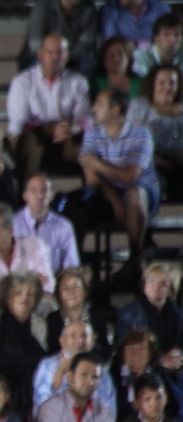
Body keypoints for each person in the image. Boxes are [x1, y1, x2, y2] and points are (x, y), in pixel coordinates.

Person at [79, 88, 160, 282]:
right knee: (79, 202)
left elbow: (129, 177)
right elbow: (91, 179)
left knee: (135, 194)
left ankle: (135, 257)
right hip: (108, 192)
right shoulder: (92, 134)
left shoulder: (141, 135)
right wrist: (113, 198)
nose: (94, 108)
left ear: (115, 110)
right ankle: (80, 265)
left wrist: (96, 163)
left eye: (99, 104)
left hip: (144, 192)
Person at [7, 34, 91, 187]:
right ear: (40, 54)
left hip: (65, 136)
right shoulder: (22, 81)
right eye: (50, 52)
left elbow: (84, 119)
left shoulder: (78, 82)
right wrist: (49, 128)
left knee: (89, 147)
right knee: (30, 145)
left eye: (60, 53)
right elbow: (18, 123)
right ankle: (26, 200)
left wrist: (70, 129)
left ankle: (90, 198)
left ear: (67, 56)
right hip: (33, 137)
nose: (55, 57)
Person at [0, 202, 56, 312]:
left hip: (33, 310)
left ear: (10, 230)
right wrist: (31, 284)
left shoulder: (34, 245)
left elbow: (47, 289)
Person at [0, 271, 49, 421]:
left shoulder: (39, 325)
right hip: (2, 389)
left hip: (33, 389)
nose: (24, 297)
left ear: (35, 300)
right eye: (18, 293)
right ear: (8, 299)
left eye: (30, 294)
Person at [32, 319, 117, 416]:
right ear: (62, 341)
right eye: (73, 336)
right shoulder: (48, 366)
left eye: (84, 336)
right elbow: (41, 409)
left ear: (93, 341)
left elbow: (109, 412)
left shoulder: (101, 372)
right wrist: (60, 373)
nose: (79, 341)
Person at [127, 64, 183, 201]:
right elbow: (133, 140)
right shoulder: (140, 106)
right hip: (152, 161)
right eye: (162, 83)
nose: (167, 88)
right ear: (153, 84)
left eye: (172, 83)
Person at [15, 174, 82, 276]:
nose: (39, 196)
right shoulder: (13, 224)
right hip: (20, 284)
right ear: (25, 195)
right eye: (33, 191)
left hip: (53, 284)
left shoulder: (64, 227)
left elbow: (71, 267)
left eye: (44, 191)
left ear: (51, 196)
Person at [36, 351, 115, 422]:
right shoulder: (50, 408)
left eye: (95, 377)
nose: (90, 382)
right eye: (84, 375)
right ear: (70, 378)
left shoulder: (103, 413)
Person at [46, 266, 113, 362]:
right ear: (58, 294)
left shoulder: (97, 316)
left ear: (85, 291)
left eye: (75, 287)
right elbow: (52, 352)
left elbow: (105, 352)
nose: (71, 292)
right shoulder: (53, 319)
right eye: (65, 288)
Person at [19, 0, 101, 77]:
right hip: (42, 55)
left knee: (88, 62)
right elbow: (35, 43)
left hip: (72, 56)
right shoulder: (43, 7)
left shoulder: (89, 8)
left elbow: (86, 43)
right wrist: (53, 54)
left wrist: (64, 56)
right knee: (38, 62)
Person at [101, 0, 170, 47]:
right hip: (125, 62)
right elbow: (111, 44)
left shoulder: (160, 9)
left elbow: (167, 41)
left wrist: (134, 44)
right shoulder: (111, 9)